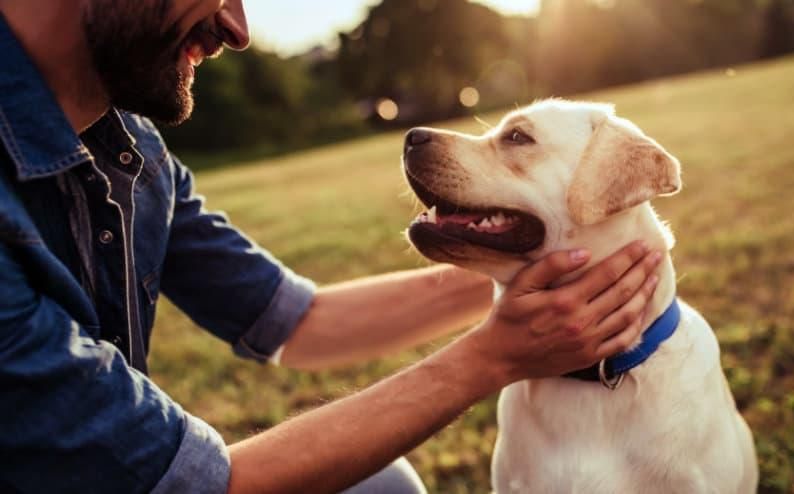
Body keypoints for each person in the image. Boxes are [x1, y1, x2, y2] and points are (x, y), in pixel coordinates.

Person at [0, 1, 664, 493]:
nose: (237, 27)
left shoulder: (134, 151)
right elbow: (197, 486)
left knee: (383, 489)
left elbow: (299, 320)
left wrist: (557, 265)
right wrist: (493, 357)